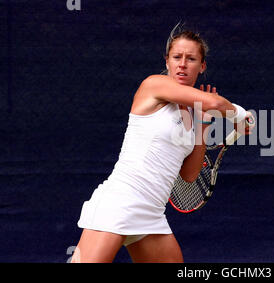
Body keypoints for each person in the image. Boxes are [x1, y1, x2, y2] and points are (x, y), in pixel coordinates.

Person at [71, 25, 254, 263]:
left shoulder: (192, 112)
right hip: (120, 201)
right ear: (167, 61)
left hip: (152, 214)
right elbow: (216, 103)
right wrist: (239, 115)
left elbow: (189, 175)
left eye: (191, 59)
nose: (182, 64)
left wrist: (202, 126)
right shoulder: (154, 85)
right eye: (177, 57)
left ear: (202, 66)